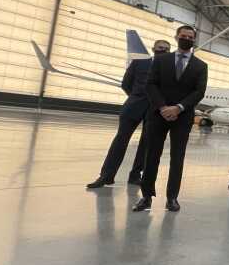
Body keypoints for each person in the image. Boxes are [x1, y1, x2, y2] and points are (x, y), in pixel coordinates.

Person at [133, 25, 208, 212]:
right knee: (151, 155)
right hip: (158, 114)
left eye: (191, 37)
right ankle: (146, 197)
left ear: (194, 40)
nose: (187, 39)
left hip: (182, 117)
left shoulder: (201, 66)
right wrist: (163, 107)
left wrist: (178, 108)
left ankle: (172, 197)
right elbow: (151, 84)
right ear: (176, 37)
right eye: (184, 36)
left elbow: (199, 92)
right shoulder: (161, 60)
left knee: (177, 158)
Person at [87, 39, 171, 189]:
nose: (162, 51)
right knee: (120, 140)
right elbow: (126, 83)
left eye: (166, 49)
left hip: (154, 110)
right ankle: (106, 176)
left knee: (146, 144)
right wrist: (135, 97)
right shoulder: (140, 63)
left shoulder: (170, 70)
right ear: (153, 49)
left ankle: (135, 175)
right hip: (133, 107)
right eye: (160, 48)